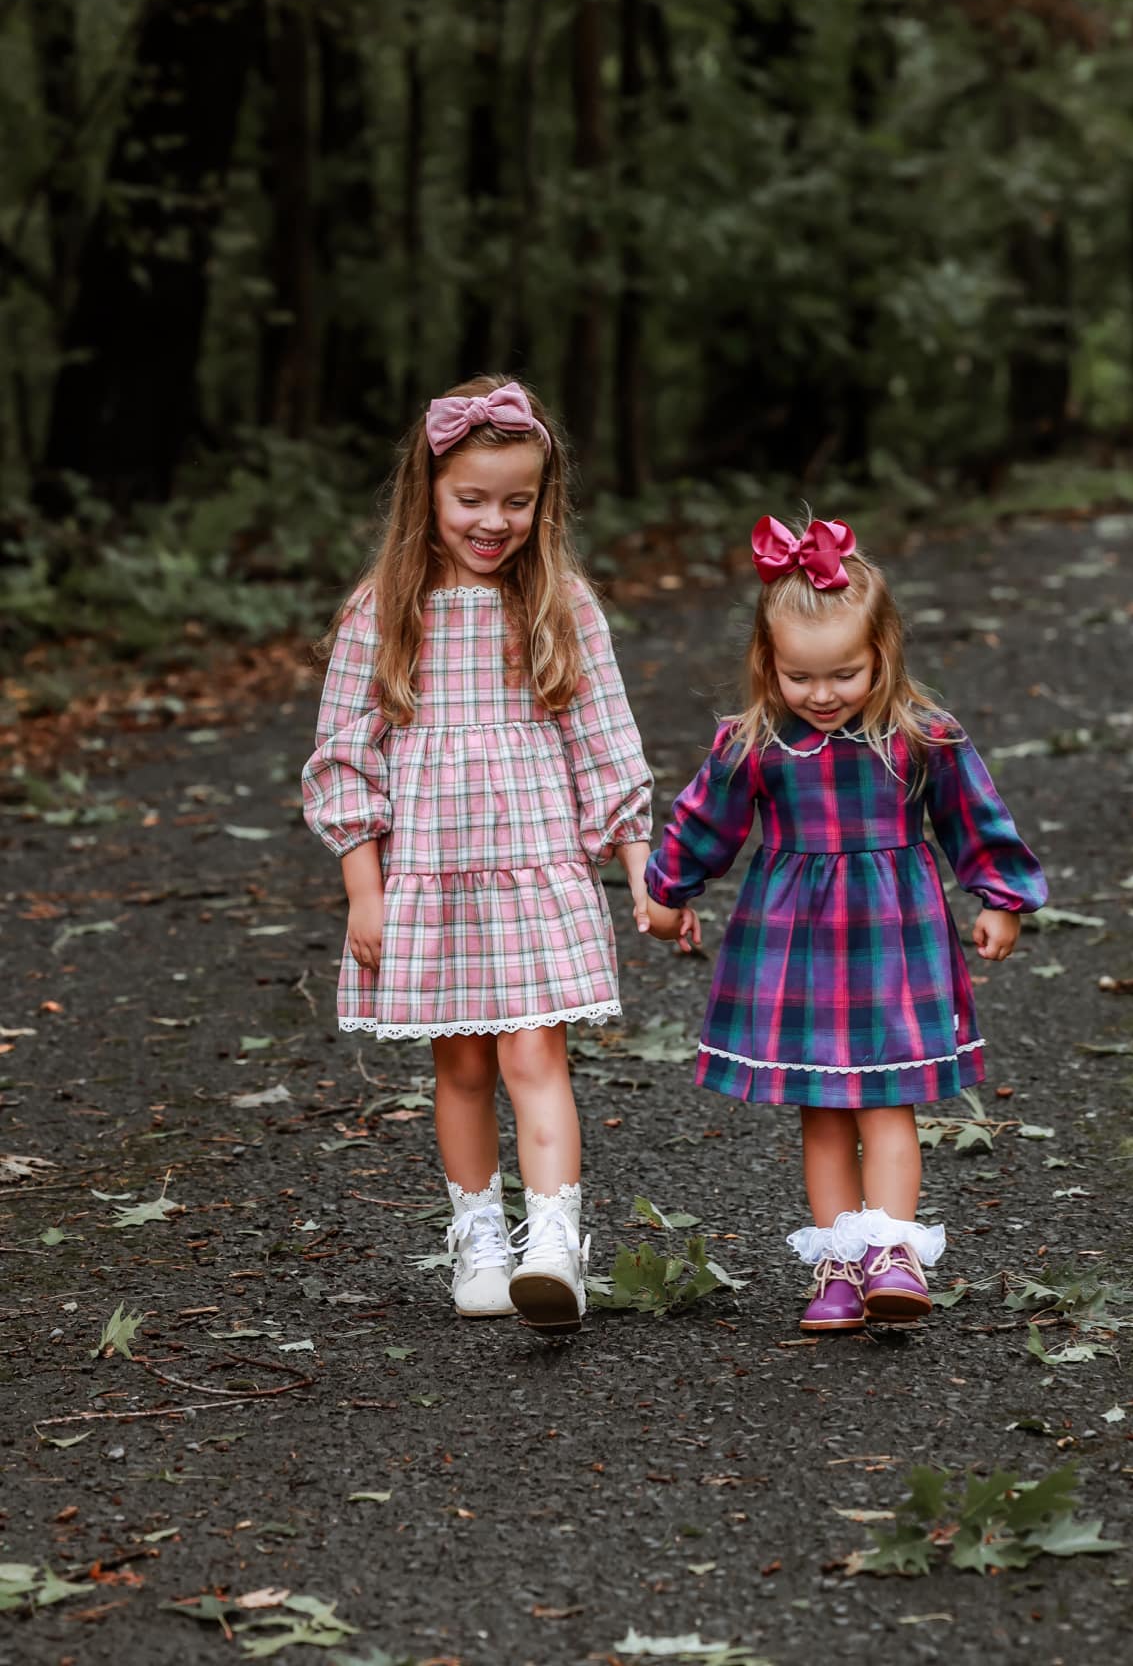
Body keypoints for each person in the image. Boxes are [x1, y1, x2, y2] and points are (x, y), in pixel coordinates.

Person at [303, 378, 653, 1334]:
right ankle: (480, 1239)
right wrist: (362, 891)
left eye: (516, 500)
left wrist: (638, 873)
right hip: (431, 879)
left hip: (535, 868)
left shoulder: (561, 603)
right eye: (472, 499)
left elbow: (606, 741)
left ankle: (553, 1242)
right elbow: (344, 761)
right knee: (459, 1067)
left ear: (545, 501)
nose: (493, 521)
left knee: (536, 1054)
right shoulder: (386, 609)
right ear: (430, 492)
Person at [642, 515, 1046, 1331]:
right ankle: (836, 1262)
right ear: (769, 664)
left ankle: (891, 1255)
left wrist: (1001, 896)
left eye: (844, 674)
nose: (821, 695)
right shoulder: (754, 743)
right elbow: (704, 822)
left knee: (889, 1102)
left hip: (896, 943)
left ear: (883, 655)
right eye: (799, 677)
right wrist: (669, 889)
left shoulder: (922, 739)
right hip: (795, 949)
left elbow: (976, 819)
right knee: (823, 1109)